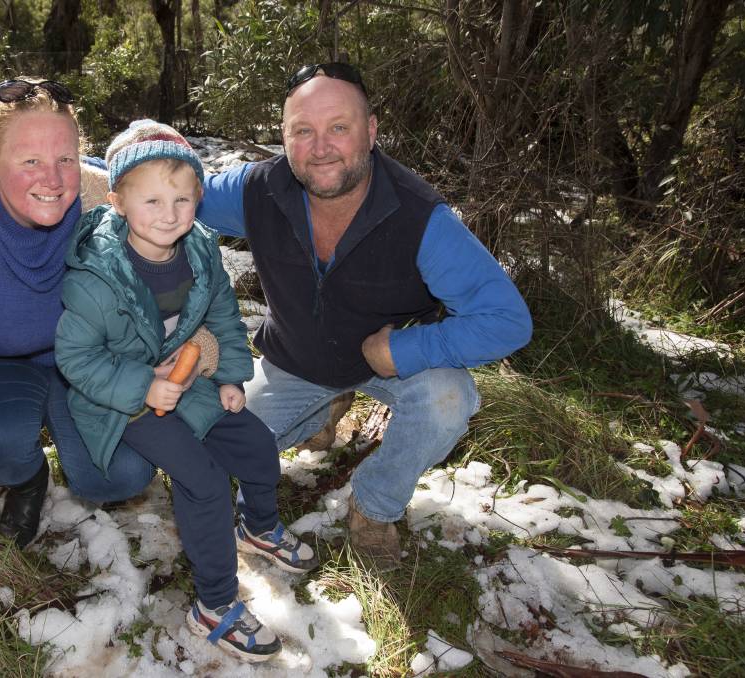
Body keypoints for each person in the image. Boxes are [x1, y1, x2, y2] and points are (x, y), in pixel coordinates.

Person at [196, 63, 533, 567]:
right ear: (284, 138)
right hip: (295, 361)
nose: (321, 146)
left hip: (387, 367)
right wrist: (73, 171)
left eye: (339, 127)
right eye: (302, 131)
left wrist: (404, 350)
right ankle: (320, 412)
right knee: (211, 448)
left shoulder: (421, 218)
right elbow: (172, 187)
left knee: (447, 397)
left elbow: (507, 319)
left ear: (371, 131)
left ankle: (374, 504)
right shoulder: (256, 190)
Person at [0, 79, 219, 589]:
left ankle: (68, 437)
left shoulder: (105, 199)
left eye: (66, 159)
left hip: (91, 362)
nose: (52, 179)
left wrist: (197, 348)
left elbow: (186, 273)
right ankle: (24, 476)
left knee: (121, 475)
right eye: (29, 161)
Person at [55, 120, 317, 663]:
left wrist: (228, 376)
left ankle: (260, 525)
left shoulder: (198, 248)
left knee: (255, 442)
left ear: (198, 197)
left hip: (186, 377)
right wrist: (142, 383)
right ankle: (215, 606)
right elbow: (77, 359)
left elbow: (221, 314)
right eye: (151, 198)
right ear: (118, 200)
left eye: (182, 197)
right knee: (201, 480)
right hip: (120, 398)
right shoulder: (95, 276)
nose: (169, 213)